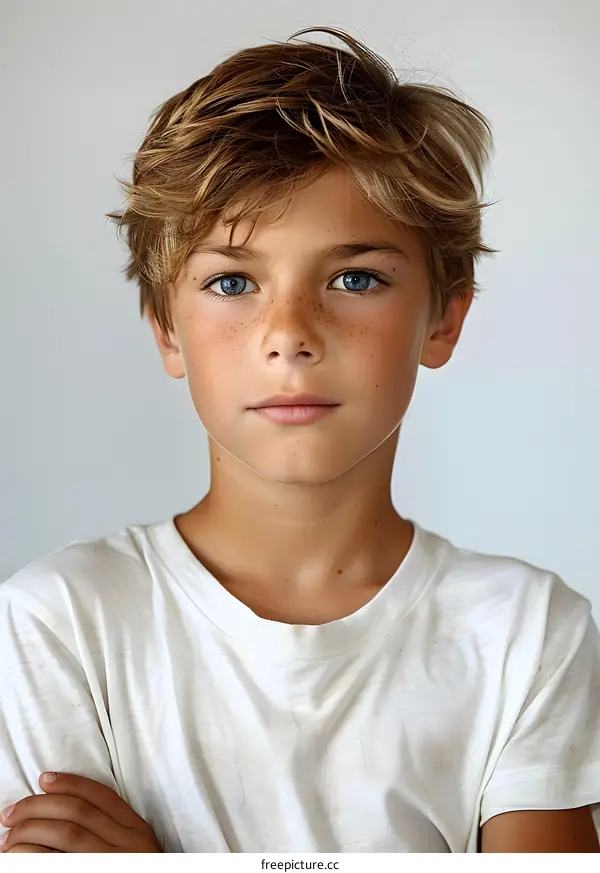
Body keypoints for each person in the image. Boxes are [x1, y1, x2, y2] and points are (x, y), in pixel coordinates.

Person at [1, 25, 599, 855]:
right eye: (233, 281)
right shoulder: (57, 624)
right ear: (167, 330)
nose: (289, 334)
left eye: (355, 278)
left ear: (444, 317)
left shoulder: (528, 634)